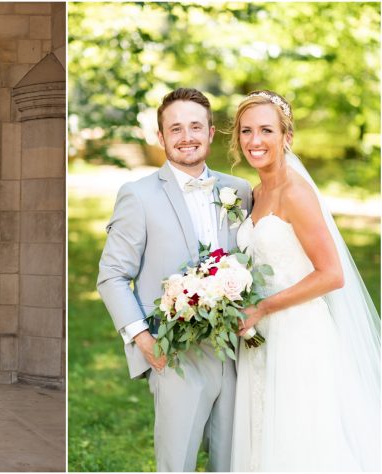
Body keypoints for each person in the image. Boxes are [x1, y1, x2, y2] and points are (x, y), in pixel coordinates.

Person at [97, 88, 253, 471]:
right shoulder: (138, 195)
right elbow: (112, 276)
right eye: (176, 128)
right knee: (176, 462)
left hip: (240, 354)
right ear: (161, 137)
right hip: (177, 355)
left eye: (196, 126)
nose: (187, 137)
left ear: (211, 132)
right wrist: (145, 341)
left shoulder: (240, 192)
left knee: (234, 461)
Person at [229, 90, 381, 471]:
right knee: (264, 434)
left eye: (266, 130)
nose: (255, 141)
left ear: (287, 137)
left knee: (300, 442)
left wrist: (262, 307)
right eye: (246, 131)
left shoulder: (296, 192)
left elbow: (331, 274)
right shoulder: (256, 193)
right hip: (259, 337)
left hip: (298, 336)